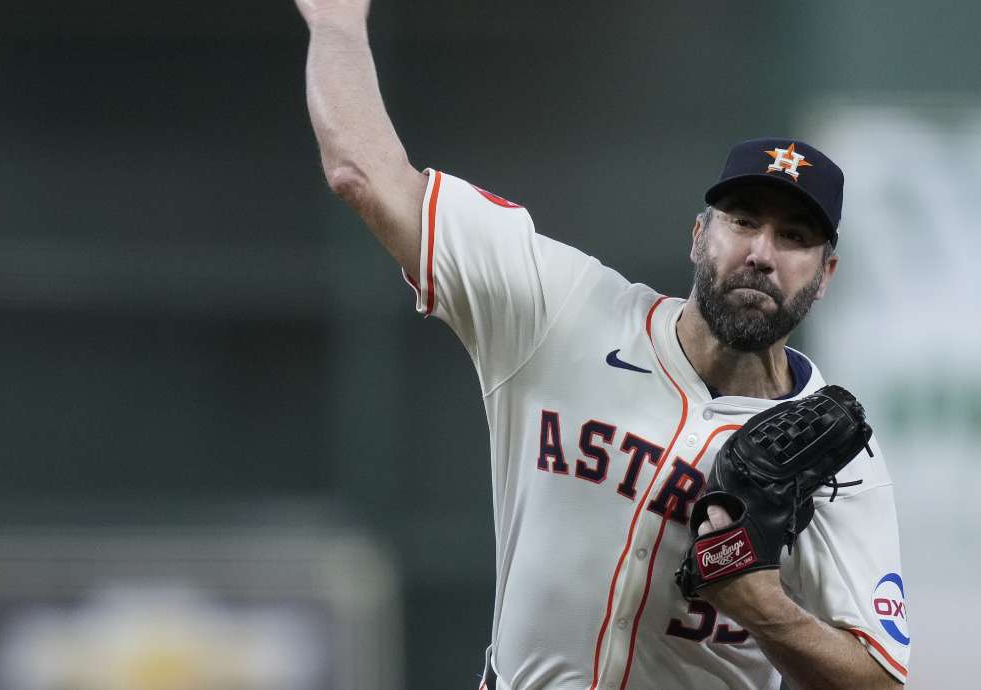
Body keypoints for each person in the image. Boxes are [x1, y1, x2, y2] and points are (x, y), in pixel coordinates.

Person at [293, 1, 909, 688]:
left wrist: (764, 608)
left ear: (826, 274)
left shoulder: (837, 458)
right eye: (743, 221)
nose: (762, 253)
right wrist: (337, 23)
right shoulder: (563, 310)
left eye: (795, 237)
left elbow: (880, 680)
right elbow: (364, 176)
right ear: (699, 235)